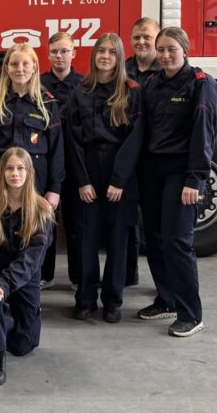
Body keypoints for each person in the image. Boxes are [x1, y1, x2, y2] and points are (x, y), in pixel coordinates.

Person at [137, 27, 217, 337]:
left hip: (181, 174)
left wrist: (195, 180)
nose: (165, 55)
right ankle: (167, 300)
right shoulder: (151, 85)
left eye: (171, 48)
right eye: (161, 49)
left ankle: (191, 314)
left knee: (177, 243)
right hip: (152, 172)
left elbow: (204, 135)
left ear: (185, 49)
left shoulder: (201, 84)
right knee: (155, 240)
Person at [65, 33, 143, 323]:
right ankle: (85, 298)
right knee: (86, 239)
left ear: (119, 57)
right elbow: (72, 139)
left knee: (117, 241)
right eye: (101, 51)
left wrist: (119, 180)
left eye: (111, 52)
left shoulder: (131, 92)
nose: (105, 56)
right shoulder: (80, 92)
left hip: (119, 174)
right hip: (88, 171)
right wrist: (82, 180)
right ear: (93, 55)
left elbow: (135, 139)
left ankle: (112, 301)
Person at [0, 148, 54, 386]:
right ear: (1, 172)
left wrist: (3, 285)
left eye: (20, 168)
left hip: (24, 278)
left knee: (22, 346)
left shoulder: (42, 209)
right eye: (9, 168)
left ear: (30, 172)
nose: (14, 173)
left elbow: (31, 261)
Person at [0, 43, 64, 213]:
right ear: (6, 68)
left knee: (35, 228)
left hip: (36, 181)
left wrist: (55, 188)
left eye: (25, 64)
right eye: (14, 64)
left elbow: (57, 150)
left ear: (34, 67)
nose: (20, 69)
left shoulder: (47, 103)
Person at [38, 32, 84, 290]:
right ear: (48, 54)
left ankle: (77, 276)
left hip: (76, 162)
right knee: (46, 220)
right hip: (48, 163)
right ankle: (45, 274)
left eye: (64, 51)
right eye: (54, 51)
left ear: (73, 53)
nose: (59, 56)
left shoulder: (84, 84)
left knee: (76, 222)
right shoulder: (39, 84)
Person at [123, 17, 162, 288]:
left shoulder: (166, 71)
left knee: (156, 225)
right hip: (126, 157)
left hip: (154, 158)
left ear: (157, 39)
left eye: (147, 36)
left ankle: (164, 288)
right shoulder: (122, 70)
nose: (141, 42)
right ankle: (128, 274)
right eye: (137, 37)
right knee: (126, 220)